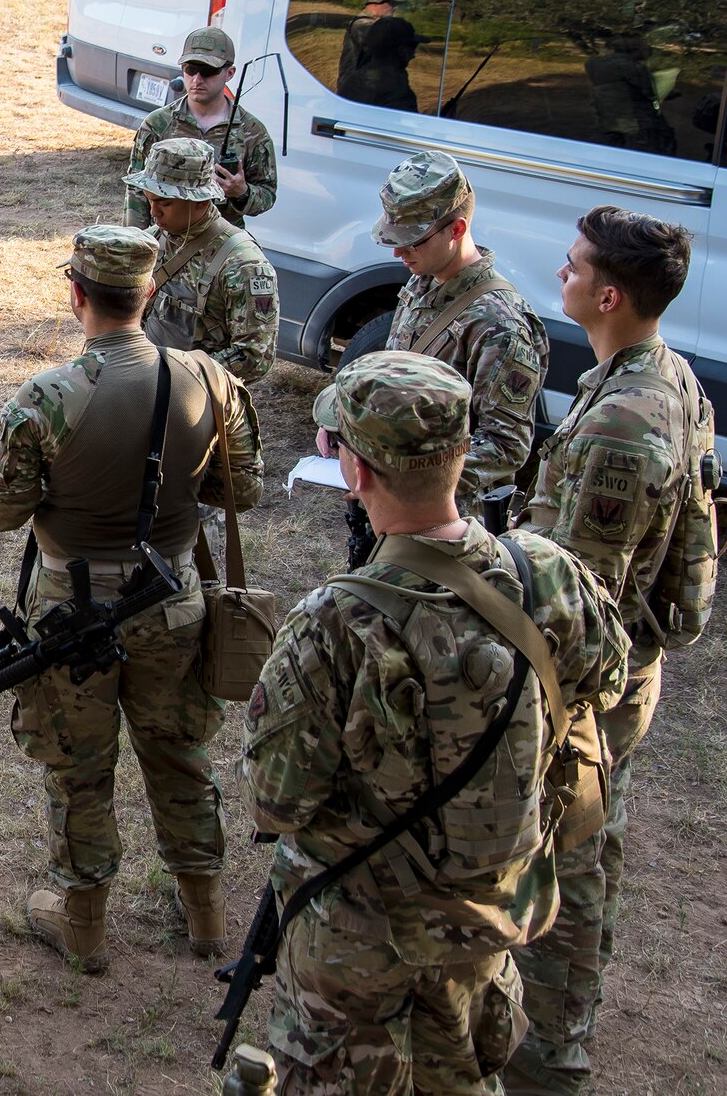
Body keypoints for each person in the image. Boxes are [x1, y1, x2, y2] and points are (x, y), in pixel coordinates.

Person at [247, 352, 629, 1095]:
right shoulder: (545, 573)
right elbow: (604, 680)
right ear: (460, 455)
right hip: (486, 926)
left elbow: (276, 800)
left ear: (356, 472)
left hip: (359, 944)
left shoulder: (332, 623)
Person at [0, 225, 263, 973]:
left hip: (72, 615)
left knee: (79, 767)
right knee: (180, 751)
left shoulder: (47, 396)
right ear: (151, 293)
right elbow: (246, 485)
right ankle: (205, 913)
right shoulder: (208, 377)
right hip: (173, 600)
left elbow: (2, 511)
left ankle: (83, 924)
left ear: (76, 294)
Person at [507, 207, 718, 1096]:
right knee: (586, 842)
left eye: (571, 265)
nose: (559, 273)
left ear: (607, 293)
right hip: (625, 666)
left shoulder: (621, 426)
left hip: (588, 684)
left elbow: (577, 602)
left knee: (566, 852)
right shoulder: (657, 376)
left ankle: (553, 1050)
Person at [377, 151, 548, 510]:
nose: (397, 252)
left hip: (450, 516)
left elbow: (506, 445)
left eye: (412, 239)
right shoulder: (424, 280)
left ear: (457, 229)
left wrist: (412, 478)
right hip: (396, 502)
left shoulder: (500, 325)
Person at [128, 139, 278, 383]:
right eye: (149, 199)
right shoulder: (154, 239)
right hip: (144, 385)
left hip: (199, 400)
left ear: (199, 200)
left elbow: (255, 357)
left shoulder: (243, 265)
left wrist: (178, 377)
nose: (154, 212)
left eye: (165, 202)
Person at [124, 27, 278, 232]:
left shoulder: (251, 131)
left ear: (229, 73)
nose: (197, 79)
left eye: (208, 71)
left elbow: (267, 195)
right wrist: (136, 242)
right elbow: (136, 191)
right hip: (167, 243)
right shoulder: (158, 124)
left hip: (222, 246)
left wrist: (242, 192)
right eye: (190, 69)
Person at [337, 15, 421, 111]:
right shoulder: (397, 92)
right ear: (401, 51)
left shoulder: (352, 81)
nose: (413, 56)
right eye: (412, 48)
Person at [338, 0, 397, 81]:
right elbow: (382, 40)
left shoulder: (370, 23)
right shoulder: (362, 24)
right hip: (356, 86)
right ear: (375, 4)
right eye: (390, 4)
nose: (394, 8)